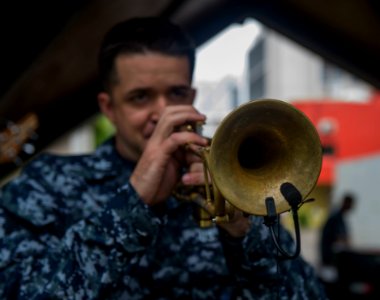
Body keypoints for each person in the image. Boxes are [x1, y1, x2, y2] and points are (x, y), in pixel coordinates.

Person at [0, 17, 327, 299]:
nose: (164, 112)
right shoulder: (46, 183)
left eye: (177, 93)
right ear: (109, 108)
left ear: (193, 96)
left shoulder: (237, 183)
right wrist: (134, 204)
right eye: (140, 97)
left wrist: (244, 232)